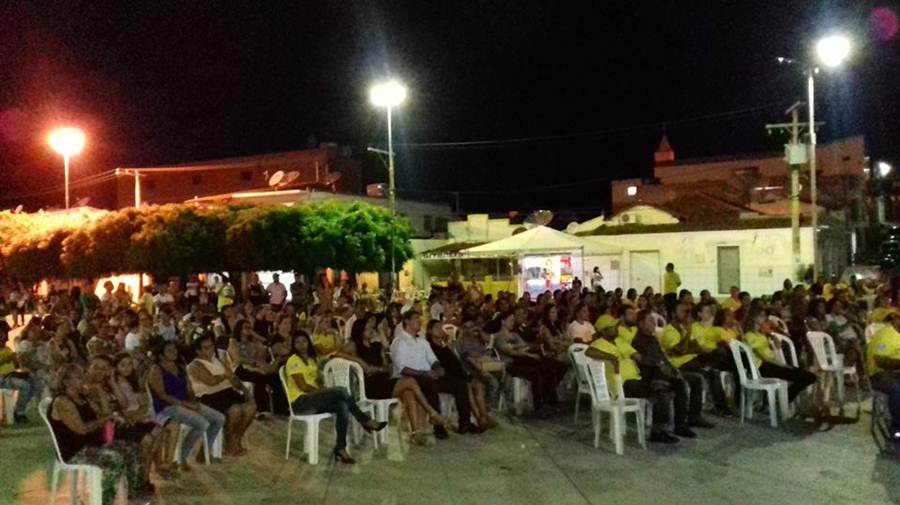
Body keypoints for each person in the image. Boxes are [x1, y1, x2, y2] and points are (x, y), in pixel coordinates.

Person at [50, 364, 149, 503]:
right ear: (66, 381)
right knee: (115, 459)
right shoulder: (62, 401)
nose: (83, 379)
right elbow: (82, 429)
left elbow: (104, 413)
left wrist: (100, 394)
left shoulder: (82, 397)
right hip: (74, 451)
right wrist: (105, 419)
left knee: (134, 448)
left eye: (83, 375)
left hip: (93, 444)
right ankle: (105, 501)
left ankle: (135, 493)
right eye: (78, 377)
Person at [344, 317, 452, 445]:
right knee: (410, 381)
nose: (371, 330)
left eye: (371, 328)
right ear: (360, 330)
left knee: (408, 392)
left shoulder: (377, 346)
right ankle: (432, 413)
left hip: (383, 381)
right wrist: (360, 362)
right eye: (367, 328)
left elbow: (387, 368)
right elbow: (336, 355)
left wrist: (379, 368)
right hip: (369, 386)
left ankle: (416, 434)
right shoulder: (354, 345)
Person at [284, 331, 386, 463]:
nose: (302, 345)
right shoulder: (293, 360)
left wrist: (321, 383)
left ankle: (341, 448)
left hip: (313, 400)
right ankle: (365, 421)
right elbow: (303, 386)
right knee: (340, 391)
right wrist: (323, 391)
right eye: (298, 342)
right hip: (300, 402)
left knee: (342, 406)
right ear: (293, 345)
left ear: (308, 343)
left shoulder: (311, 360)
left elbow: (316, 379)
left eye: (304, 341)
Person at [587, 314, 678, 443]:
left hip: (636, 380)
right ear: (604, 331)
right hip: (622, 385)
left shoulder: (619, 341)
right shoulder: (599, 343)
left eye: (616, 326)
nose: (616, 329)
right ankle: (658, 432)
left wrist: (657, 363)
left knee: (663, 388)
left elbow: (639, 357)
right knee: (661, 391)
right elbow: (589, 352)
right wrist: (611, 357)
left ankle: (662, 429)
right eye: (613, 327)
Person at [391, 310, 480, 435]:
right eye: (416, 318)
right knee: (431, 384)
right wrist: (425, 373)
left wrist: (437, 367)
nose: (419, 321)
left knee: (460, 384)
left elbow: (433, 360)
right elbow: (403, 368)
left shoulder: (422, 342)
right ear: (407, 321)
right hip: (411, 378)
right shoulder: (399, 342)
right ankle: (438, 427)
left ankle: (465, 423)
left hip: (428, 375)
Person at [631, 309, 709, 438]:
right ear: (640, 323)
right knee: (674, 384)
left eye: (654, 320)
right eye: (650, 320)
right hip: (651, 377)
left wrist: (673, 370)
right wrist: (669, 373)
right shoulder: (639, 341)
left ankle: (693, 417)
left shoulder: (652, 339)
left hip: (663, 373)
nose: (654, 323)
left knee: (696, 378)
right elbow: (650, 363)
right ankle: (666, 429)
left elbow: (663, 359)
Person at [148, 341, 225, 467]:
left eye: (175, 349)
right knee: (202, 423)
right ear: (161, 355)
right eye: (169, 350)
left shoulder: (180, 367)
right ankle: (182, 457)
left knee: (219, 418)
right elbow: (161, 395)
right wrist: (185, 404)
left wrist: (194, 401)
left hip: (185, 403)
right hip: (167, 407)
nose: (174, 352)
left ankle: (203, 452)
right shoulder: (156, 369)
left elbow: (189, 389)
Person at [187, 334, 256, 456]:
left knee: (250, 408)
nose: (211, 349)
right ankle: (230, 444)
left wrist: (246, 393)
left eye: (211, 346)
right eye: (206, 348)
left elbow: (234, 378)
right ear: (198, 351)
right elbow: (211, 381)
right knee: (235, 411)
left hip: (227, 393)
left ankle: (235, 441)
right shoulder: (195, 365)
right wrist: (225, 376)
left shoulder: (218, 360)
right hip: (209, 397)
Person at [110, 353, 177, 477]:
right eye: (123, 365)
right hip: (126, 420)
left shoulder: (132, 380)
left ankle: (149, 472)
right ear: (115, 367)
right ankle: (146, 473)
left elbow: (144, 402)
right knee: (152, 436)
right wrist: (113, 382)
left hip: (139, 415)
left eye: (129, 364)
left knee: (160, 430)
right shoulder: (115, 383)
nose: (127, 368)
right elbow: (124, 406)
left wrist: (140, 413)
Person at [493, 312, 566, 418]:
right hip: (511, 364)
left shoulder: (514, 335)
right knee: (536, 373)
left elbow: (525, 346)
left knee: (548, 369)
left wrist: (533, 346)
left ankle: (550, 401)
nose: (513, 322)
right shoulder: (499, 337)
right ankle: (539, 406)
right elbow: (511, 352)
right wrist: (526, 352)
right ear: (503, 322)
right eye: (510, 320)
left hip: (523, 360)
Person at [427, 320, 492, 430]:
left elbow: (455, 363)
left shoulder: (444, 346)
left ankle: (484, 415)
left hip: (457, 374)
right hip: (445, 376)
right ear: (429, 331)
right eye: (437, 328)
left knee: (478, 384)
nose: (440, 330)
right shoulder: (430, 347)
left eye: (441, 328)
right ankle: (477, 418)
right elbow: (442, 366)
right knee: (466, 386)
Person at [743, 311, 817, 404]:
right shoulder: (750, 336)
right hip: (762, 368)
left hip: (770, 365)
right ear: (757, 324)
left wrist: (771, 334)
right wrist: (784, 365)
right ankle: (782, 401)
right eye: (765, 322)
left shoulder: (762, 336)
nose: (769, 324)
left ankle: (784, 399)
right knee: (808, 377)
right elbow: (766, 358)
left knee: (809, 376)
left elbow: (778, 346)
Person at [229, 320, 286, 415]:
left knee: (274, 377)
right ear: (239, 329)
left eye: (250, 327)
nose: (249, 330)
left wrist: (257, 341)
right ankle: (260, 408)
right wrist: (251, 361)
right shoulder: (234, 342)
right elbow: (237, 358)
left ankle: (280, 407)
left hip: (253, 367)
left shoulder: (252, 343)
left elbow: (263, 350)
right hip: (240, 368)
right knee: (259, 378)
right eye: (246, 327)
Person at [868, 312, 900, 440]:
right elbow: (880, 361)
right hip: (879, 374)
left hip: (895, 372)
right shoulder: (886, 334)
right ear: (895, 319)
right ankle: (897, 428)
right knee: (897, 390)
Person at [0, 327, 34, 422]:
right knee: (25, 385)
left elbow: (15, 365)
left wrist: (17, 359)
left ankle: (20, 409)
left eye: (3, 336)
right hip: (3, 377)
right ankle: (19, 412)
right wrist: (6, 359)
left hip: (10, 375)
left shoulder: (7, 349)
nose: (3, 338)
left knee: (32, 382)